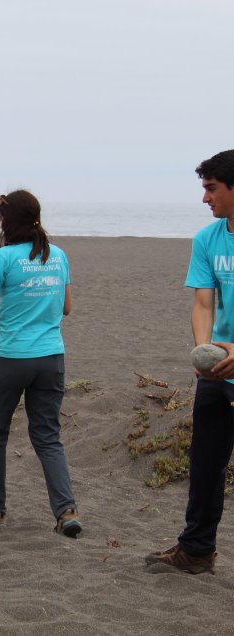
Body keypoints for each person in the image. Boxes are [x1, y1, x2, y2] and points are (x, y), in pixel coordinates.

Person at [0, 190, 80, 537]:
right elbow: (66, 307)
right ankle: (66, 511)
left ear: (5, 222)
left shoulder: (3, 258)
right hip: (51, 358)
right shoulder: (58, 255)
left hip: (10, 358)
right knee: (48, 437)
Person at [145, 150, 234, 574]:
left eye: (211, 189)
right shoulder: (208, 240)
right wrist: (204, 354)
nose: (205, 198)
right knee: (205, 465)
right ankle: (197, 550)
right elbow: (203, 303)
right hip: (218, 371)